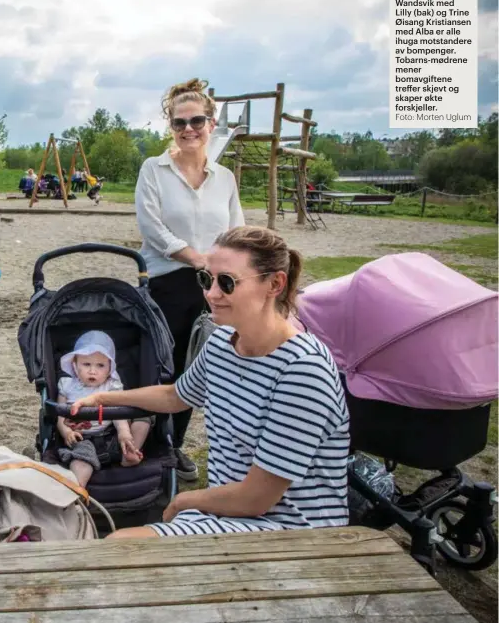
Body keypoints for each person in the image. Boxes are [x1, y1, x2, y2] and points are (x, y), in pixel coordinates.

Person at [72, 225, 350, 539]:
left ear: (275, 283)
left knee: (119, 544)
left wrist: (185, 500)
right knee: (117, 546)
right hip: (232, 514)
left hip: (291, 530)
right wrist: (102, 399)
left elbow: (257, 497)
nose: (211, 294)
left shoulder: (302, 370)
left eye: (227, 283)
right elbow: (175, 396)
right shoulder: (221, 343)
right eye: (206, 278)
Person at [135, 78, 245, 481]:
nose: (188, 129)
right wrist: (197, 258)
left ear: (211, 123)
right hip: (169, 280)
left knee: (199, 367)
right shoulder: (154, 170)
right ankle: (146, 443)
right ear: (171, 126)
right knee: (163, 365)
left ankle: (174, 446)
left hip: (215, 284)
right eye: (179, 122)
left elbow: (237, 231)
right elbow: (152, 229)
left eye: (196, 120)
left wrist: (228, 268)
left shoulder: (225, 178)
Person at [56, 330, 155, 487]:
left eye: (100, 365)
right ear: (75, 366)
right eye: (86, 364)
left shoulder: (112, 386)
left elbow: (119, 414)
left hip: (113, 437)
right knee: (81, 460)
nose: (92, 370)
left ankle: (129, 452)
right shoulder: (67, 386)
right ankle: (78, 489)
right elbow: (60, 415)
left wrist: (124, 433)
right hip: (82, 439)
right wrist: (66, 432)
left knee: (144, 419)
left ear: (110, 368)